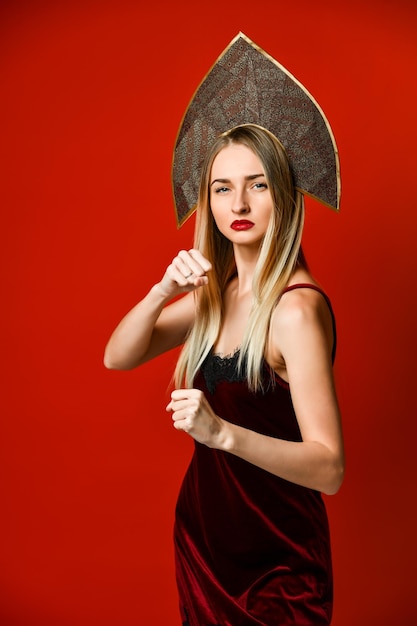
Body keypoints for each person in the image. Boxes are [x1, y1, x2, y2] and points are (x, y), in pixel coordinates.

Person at [104, 123, 345, 625]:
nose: (238, 204)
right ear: (207, 202)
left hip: (278, 562)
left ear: (283, 195)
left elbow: (330, 469)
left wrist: (221, 434)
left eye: (257, 185)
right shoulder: (217, 295)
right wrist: (162, 290)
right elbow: (118, 356)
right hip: (203, 544)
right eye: (222, 188)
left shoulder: (294, 312)